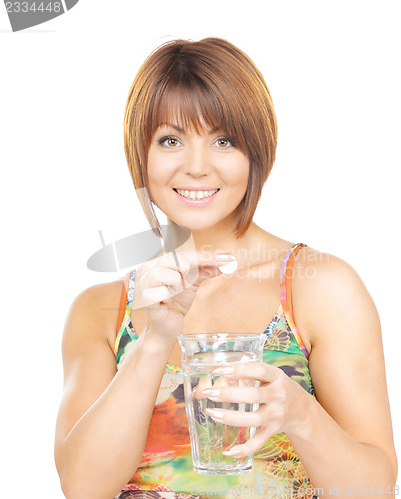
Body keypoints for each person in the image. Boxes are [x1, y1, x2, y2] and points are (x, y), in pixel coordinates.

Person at [54, 37, 397, 499]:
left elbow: (374, 489)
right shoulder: (101, 310)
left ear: (257, 150)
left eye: (224, 140)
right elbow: (81, 488)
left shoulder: (320, 287)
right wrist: (156, 341)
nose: (196, 167)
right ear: (142, 154)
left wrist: (299, 413)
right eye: (170, 140)